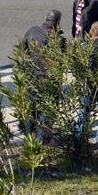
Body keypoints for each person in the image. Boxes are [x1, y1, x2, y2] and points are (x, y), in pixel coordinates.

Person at [20, 9, 63, 143]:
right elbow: (63, 60)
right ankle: (42, 139)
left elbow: (23, 50)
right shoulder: (57, 39)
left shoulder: (32, 30)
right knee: (48, 108)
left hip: (32, 76)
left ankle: (29, 136)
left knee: (32, 106)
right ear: (57, 23)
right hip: (49, 79)